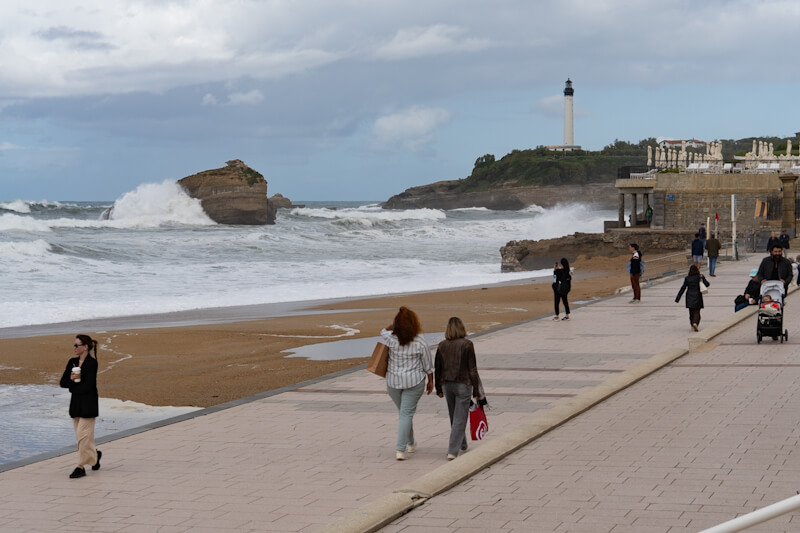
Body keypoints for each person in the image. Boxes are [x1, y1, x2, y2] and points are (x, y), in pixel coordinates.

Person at [381, 306, 434, 461]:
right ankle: (400, 449)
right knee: (406, 414)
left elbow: (383, 330)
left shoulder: (390, 338)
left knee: (404, 413)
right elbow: (428, 365)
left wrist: (394, 324)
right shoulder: (420, 341)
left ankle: (411, 443)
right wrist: (431, 381)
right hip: (414, 381)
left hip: (393, 382)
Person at [434, 317, 486, 460]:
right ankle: (452, 450)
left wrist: (438, 388)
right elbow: (472, 369)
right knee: (460, 418)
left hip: (446, 384)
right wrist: (476, 391)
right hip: (463, 383)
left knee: (454, 416)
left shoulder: (442, 345)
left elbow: (437, 368)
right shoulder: (467, 344)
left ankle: (462, 444)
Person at [59, 334, 102, 479]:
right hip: (76, 404)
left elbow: (88, 386)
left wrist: (72, 387)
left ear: (85, 347)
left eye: (77, 345)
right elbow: (62, 382)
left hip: (89, 404)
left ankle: (80, 466)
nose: (75, 348)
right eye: (74, 345)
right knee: (81, 436)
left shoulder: (92, 363)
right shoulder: (72, 362)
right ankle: (95, 455)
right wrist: (71, 380)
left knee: (83, 436)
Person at [675, 264, 709, 332]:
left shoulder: (687, 278)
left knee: (691, 312)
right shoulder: (699, 277)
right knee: (697, 312)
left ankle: (692, 324)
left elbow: (683, 288)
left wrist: (677, 298)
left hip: (689, 296)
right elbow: (707, 284)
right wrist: (703, 279)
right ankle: (695, 323)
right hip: (697, 296)